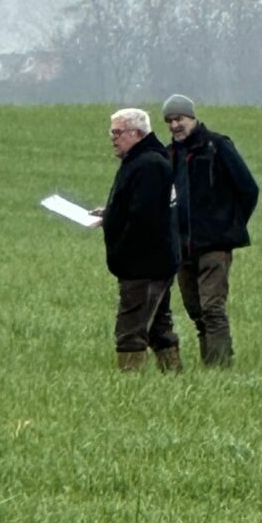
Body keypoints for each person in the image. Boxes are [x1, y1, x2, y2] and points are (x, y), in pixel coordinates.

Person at [163, 94, 259, 366]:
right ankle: (211, 365)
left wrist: (230, 224)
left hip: (215, 244)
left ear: (192, 117)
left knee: (212, 309)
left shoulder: (217, 146)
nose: (175, 125)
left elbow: (248, 188)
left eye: (179, 119)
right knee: (196, 311)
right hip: (183, 247)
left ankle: (220, 368)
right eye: (170, 121)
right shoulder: (169, 155)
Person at [93, 108, 181, 372]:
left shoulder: (148, 165)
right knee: (158, 328)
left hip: (144, 265)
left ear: (137, 133)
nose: (113, 138)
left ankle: (129, 383)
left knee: (130, 331)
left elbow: (144, 218)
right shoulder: (144, 161)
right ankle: (174, 377)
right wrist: (110, 214)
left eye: (117, 132)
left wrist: (116, 229)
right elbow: (139, 207)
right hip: (155, 263)